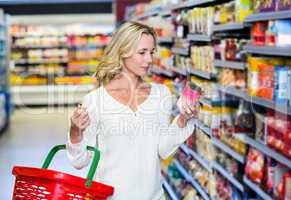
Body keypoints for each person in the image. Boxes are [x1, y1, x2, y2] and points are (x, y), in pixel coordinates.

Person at [67, 21, 196, 200]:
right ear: (123, 52)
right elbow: (80, 161)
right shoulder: (95, 100)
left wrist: (182, 119)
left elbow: (163, 149)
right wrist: (75, 131)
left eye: (151, 52)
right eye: (142, 52)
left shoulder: (161, 94)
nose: (149, 60)